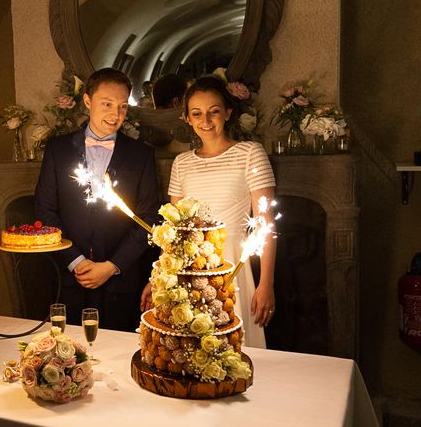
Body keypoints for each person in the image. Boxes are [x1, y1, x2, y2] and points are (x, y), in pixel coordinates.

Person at [140, 76, 276, 348]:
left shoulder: (251, 153)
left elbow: (266, 224)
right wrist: (158, 277)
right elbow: (173, 231)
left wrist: (266, 285)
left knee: (235, 348)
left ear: (227, 112)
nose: (206, 120)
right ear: (187, 118)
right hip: (189, 267)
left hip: (233, 264)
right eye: (197, 113)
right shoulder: (181, 163)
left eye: (214, 111)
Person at [35, 68, 159, 332]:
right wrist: (75, 260)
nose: (115, 115)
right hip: (68, 278)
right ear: (88, 101)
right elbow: (45, 210)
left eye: (123, 106)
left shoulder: (142, 155)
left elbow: (148, 218)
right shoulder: (58, 149)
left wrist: (112, 266)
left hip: (122, 282)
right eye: (107, 104)